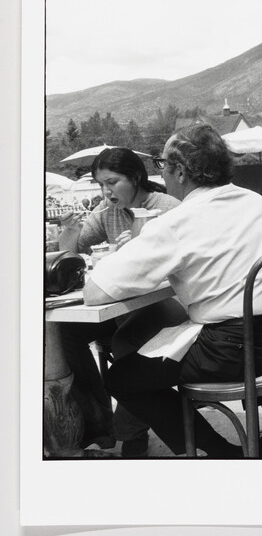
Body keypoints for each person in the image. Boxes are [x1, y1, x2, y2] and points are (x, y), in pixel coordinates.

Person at [85, 124, 262, 458]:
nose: (164, 174)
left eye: (164, 166)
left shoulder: (176, 221)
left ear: (181, 171)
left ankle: (223, 454)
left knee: (122, 378)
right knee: (234, 322)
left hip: (235, 352)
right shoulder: (253, 201)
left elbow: (95, 293)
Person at [57, 147, 181, 457]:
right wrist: (69, 232)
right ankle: (101, 423)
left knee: (128, 338)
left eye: (111, 182)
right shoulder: (106, 212)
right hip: (117, 304)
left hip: (167, 305)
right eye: (100, 184)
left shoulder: (166, 207)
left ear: (136, 177)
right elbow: (72, 256)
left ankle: (131, 430)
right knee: (64, 336)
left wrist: (140, 247)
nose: (105, 191)